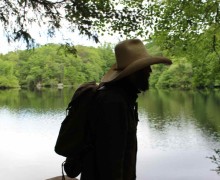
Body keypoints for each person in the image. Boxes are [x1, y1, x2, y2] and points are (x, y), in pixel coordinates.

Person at [80, 39, 172, 180]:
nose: (150, 70)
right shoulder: (113, 102)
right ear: (132, 72)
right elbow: (110, 161)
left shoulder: (122, 97)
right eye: (145, 67)